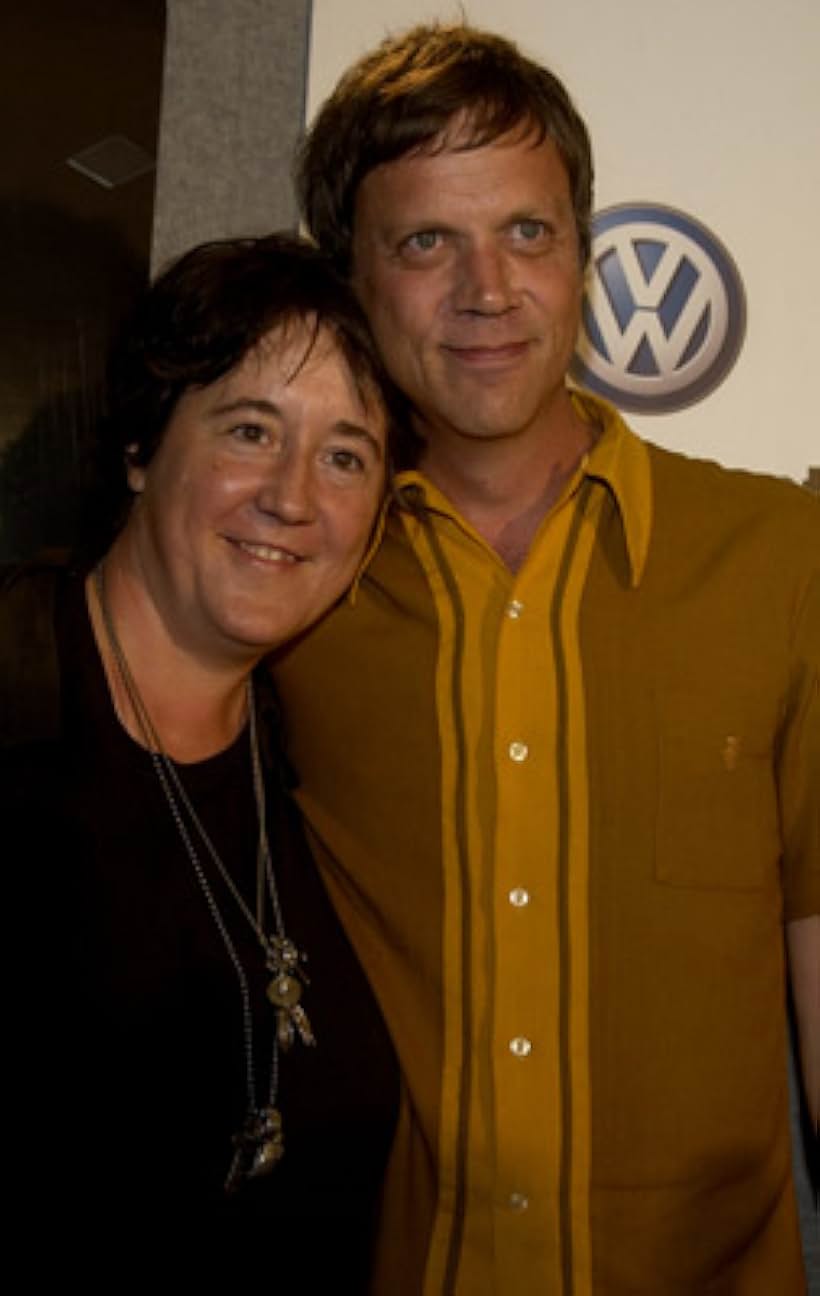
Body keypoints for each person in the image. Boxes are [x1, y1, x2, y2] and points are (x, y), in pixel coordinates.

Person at [271, 23, 820, 1296]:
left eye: (527, 232)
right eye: (425, 243)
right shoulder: (295, 584)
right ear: (349, 278)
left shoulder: (784, 557)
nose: (487, 288)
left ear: (581, 252)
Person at [1, 233, 399, 1286]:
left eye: (346, 454)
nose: (293, 497)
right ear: (141, 445)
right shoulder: (18, 703)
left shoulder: (309, 761)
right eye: (250, 429)